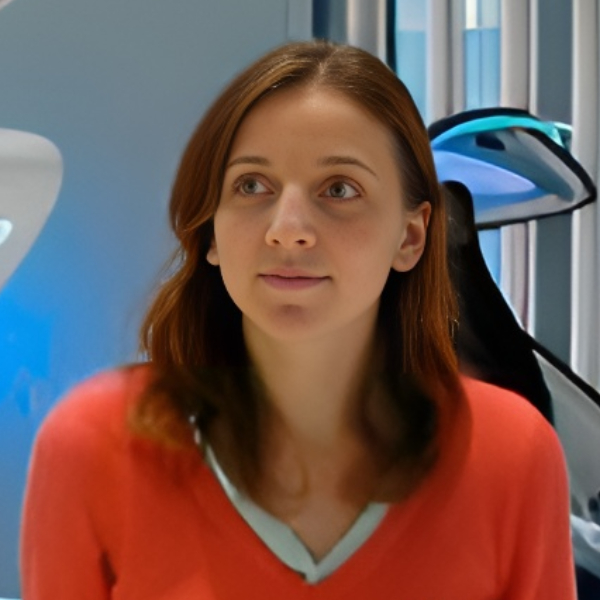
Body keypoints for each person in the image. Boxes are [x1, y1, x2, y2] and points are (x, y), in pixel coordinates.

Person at [20, 40, 576, 599]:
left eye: (339, 189)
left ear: (410, 237)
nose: (287, 229)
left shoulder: (513, 454)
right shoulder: (92, 446)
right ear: (210, 231)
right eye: (251, 186)